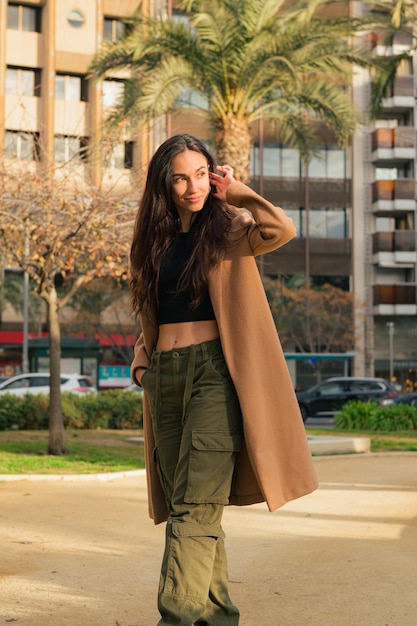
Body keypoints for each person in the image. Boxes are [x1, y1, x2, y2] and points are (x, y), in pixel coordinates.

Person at [130, 134, 318, 625]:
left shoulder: (231, 229)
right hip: (164, 379)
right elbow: (150, 309)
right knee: (190, 507)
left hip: (215, 373)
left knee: (195, 504)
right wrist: (142, 360)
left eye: (200, 174)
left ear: (212, 175)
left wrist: (238, 193)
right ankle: (217, 618)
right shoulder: (158, 240)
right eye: (179, 177)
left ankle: (174, 618)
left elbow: (282, 229)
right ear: (164, 185)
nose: (191, 186)